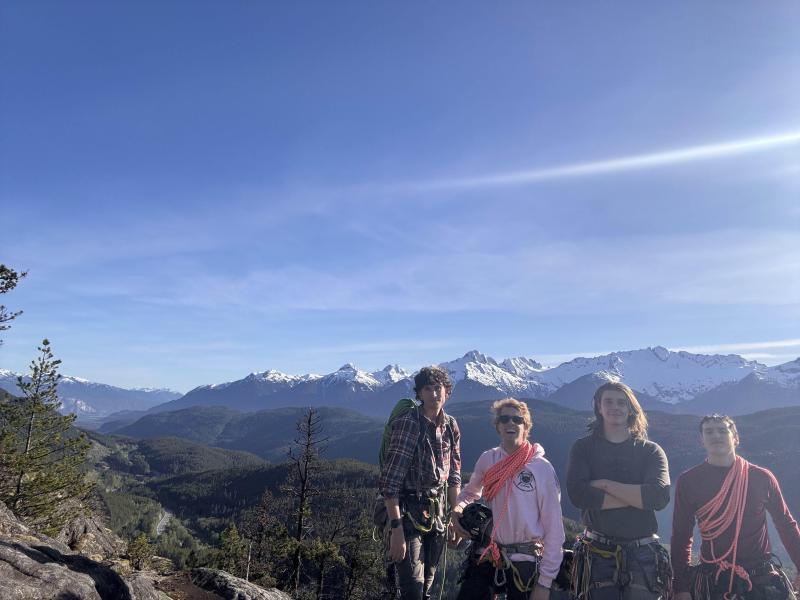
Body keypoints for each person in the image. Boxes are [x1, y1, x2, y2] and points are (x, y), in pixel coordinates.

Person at [671, 414, 800, 600]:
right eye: (709, 432)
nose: (716, 435)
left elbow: (786, 525)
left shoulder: (761, 478)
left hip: (760, 580)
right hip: (713, 580)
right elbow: (682, 535)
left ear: (736, 438)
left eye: (723, 430)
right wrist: (680, 587)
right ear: (702, 440)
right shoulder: (689, 481)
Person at [566, 381, 672, 600]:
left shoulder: (651, 451)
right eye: (609, 401)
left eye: (621, 402)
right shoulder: (583, 447)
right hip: (596, 552)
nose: (615, 407)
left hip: (642, 553)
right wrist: (638, 498)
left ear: (631, 408)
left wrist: (604, 484)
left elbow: (659, 497)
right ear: (598, 407)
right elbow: (578, 494)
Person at [451, 398, 565, 600]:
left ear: (526, 426)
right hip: (491, 552)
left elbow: (554, 528)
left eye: (517, 419)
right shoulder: (488, 459)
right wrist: (458, 509)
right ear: (497, 426)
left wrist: (544, 583)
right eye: (504, 419)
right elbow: (470, 493)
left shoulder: (541, 468)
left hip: (527, 558)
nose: (510, 423)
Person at [378, 365, 462, 600]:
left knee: (427, 585)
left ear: (447, 391)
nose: (435, 394)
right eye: (428, 389)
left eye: (439, 388)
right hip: (407, 515)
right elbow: (390, 483)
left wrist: (455, 516)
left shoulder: (451, 426)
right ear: (419, 393)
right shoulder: (409, 424)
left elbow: (454, 474)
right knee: (413, 588)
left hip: (437, 516)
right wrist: (396, 531)